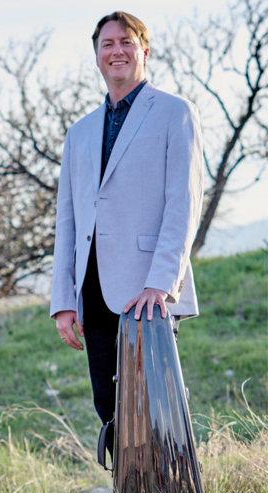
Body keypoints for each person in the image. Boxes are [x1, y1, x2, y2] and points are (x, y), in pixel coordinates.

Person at [50, 12, 204, 457]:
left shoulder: (175, 112)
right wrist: (64, 300)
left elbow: (184, 204)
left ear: (144, 50)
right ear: (97, 55)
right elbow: (68, 220)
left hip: (147, 289)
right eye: (107, 44)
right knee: (110, 408)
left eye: (127, 42)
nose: (117, 50)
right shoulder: (78, 134)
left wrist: (161, 283)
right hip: (93, 291)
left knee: (155, 405)